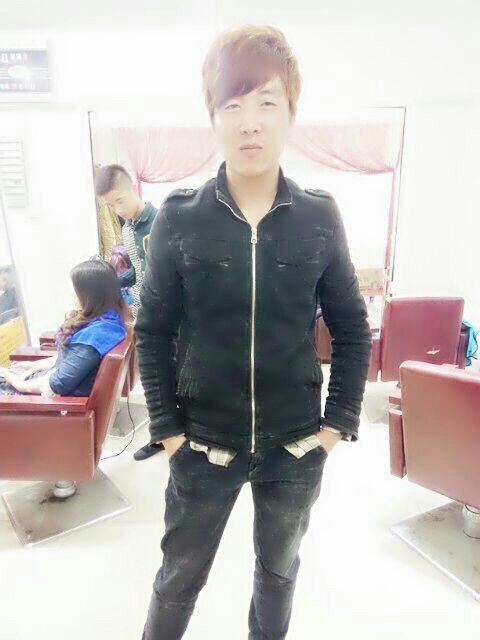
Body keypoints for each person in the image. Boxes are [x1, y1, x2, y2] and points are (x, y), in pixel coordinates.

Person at [135, 25, 372, 640]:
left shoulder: (319, 215)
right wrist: (167, 432)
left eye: (267, 102)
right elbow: (152, 332)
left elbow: (351, 327)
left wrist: (336, 425)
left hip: (295, 445)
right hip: (201, 443)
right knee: (178, 578)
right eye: (233, 105)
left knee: (278, 575)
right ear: (212, 115)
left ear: (291, 112)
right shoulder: (179, 218)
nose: (250, 123)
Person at [95, 165, 163, 461]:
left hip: (169, 316)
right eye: (111, 205)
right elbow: (137, 270)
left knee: (173, 378)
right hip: (143, 313)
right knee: (152, 379)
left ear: (133, 188)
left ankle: (180, 436)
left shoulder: (161, 222)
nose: (118, 209)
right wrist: (110, 281)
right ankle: (161, 436)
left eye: (120, 201)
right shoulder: (127, 228)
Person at [0, 259, 130, 396]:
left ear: (89, 295)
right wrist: (34, 366)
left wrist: (16, 382)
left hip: (51, 399)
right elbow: (72, 360)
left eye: (75, 291)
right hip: (48, 380)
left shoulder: (93, 339)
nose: (72, 295)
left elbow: (58, 384)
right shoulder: (110, 320)